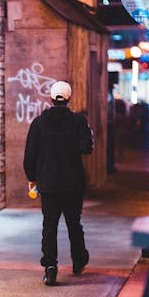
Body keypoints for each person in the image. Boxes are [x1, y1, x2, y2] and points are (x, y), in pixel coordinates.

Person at [23, 80, 94, 285]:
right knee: (74, 223)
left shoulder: (38, 123)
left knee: (49, 225)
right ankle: (79, 260)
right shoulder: (78, 122)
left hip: (48, 184)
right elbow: (87, 148)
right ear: (69, 98)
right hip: (73, 184)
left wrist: (32, 177)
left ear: (51, 99)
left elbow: (30, 155)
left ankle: (50, 266)